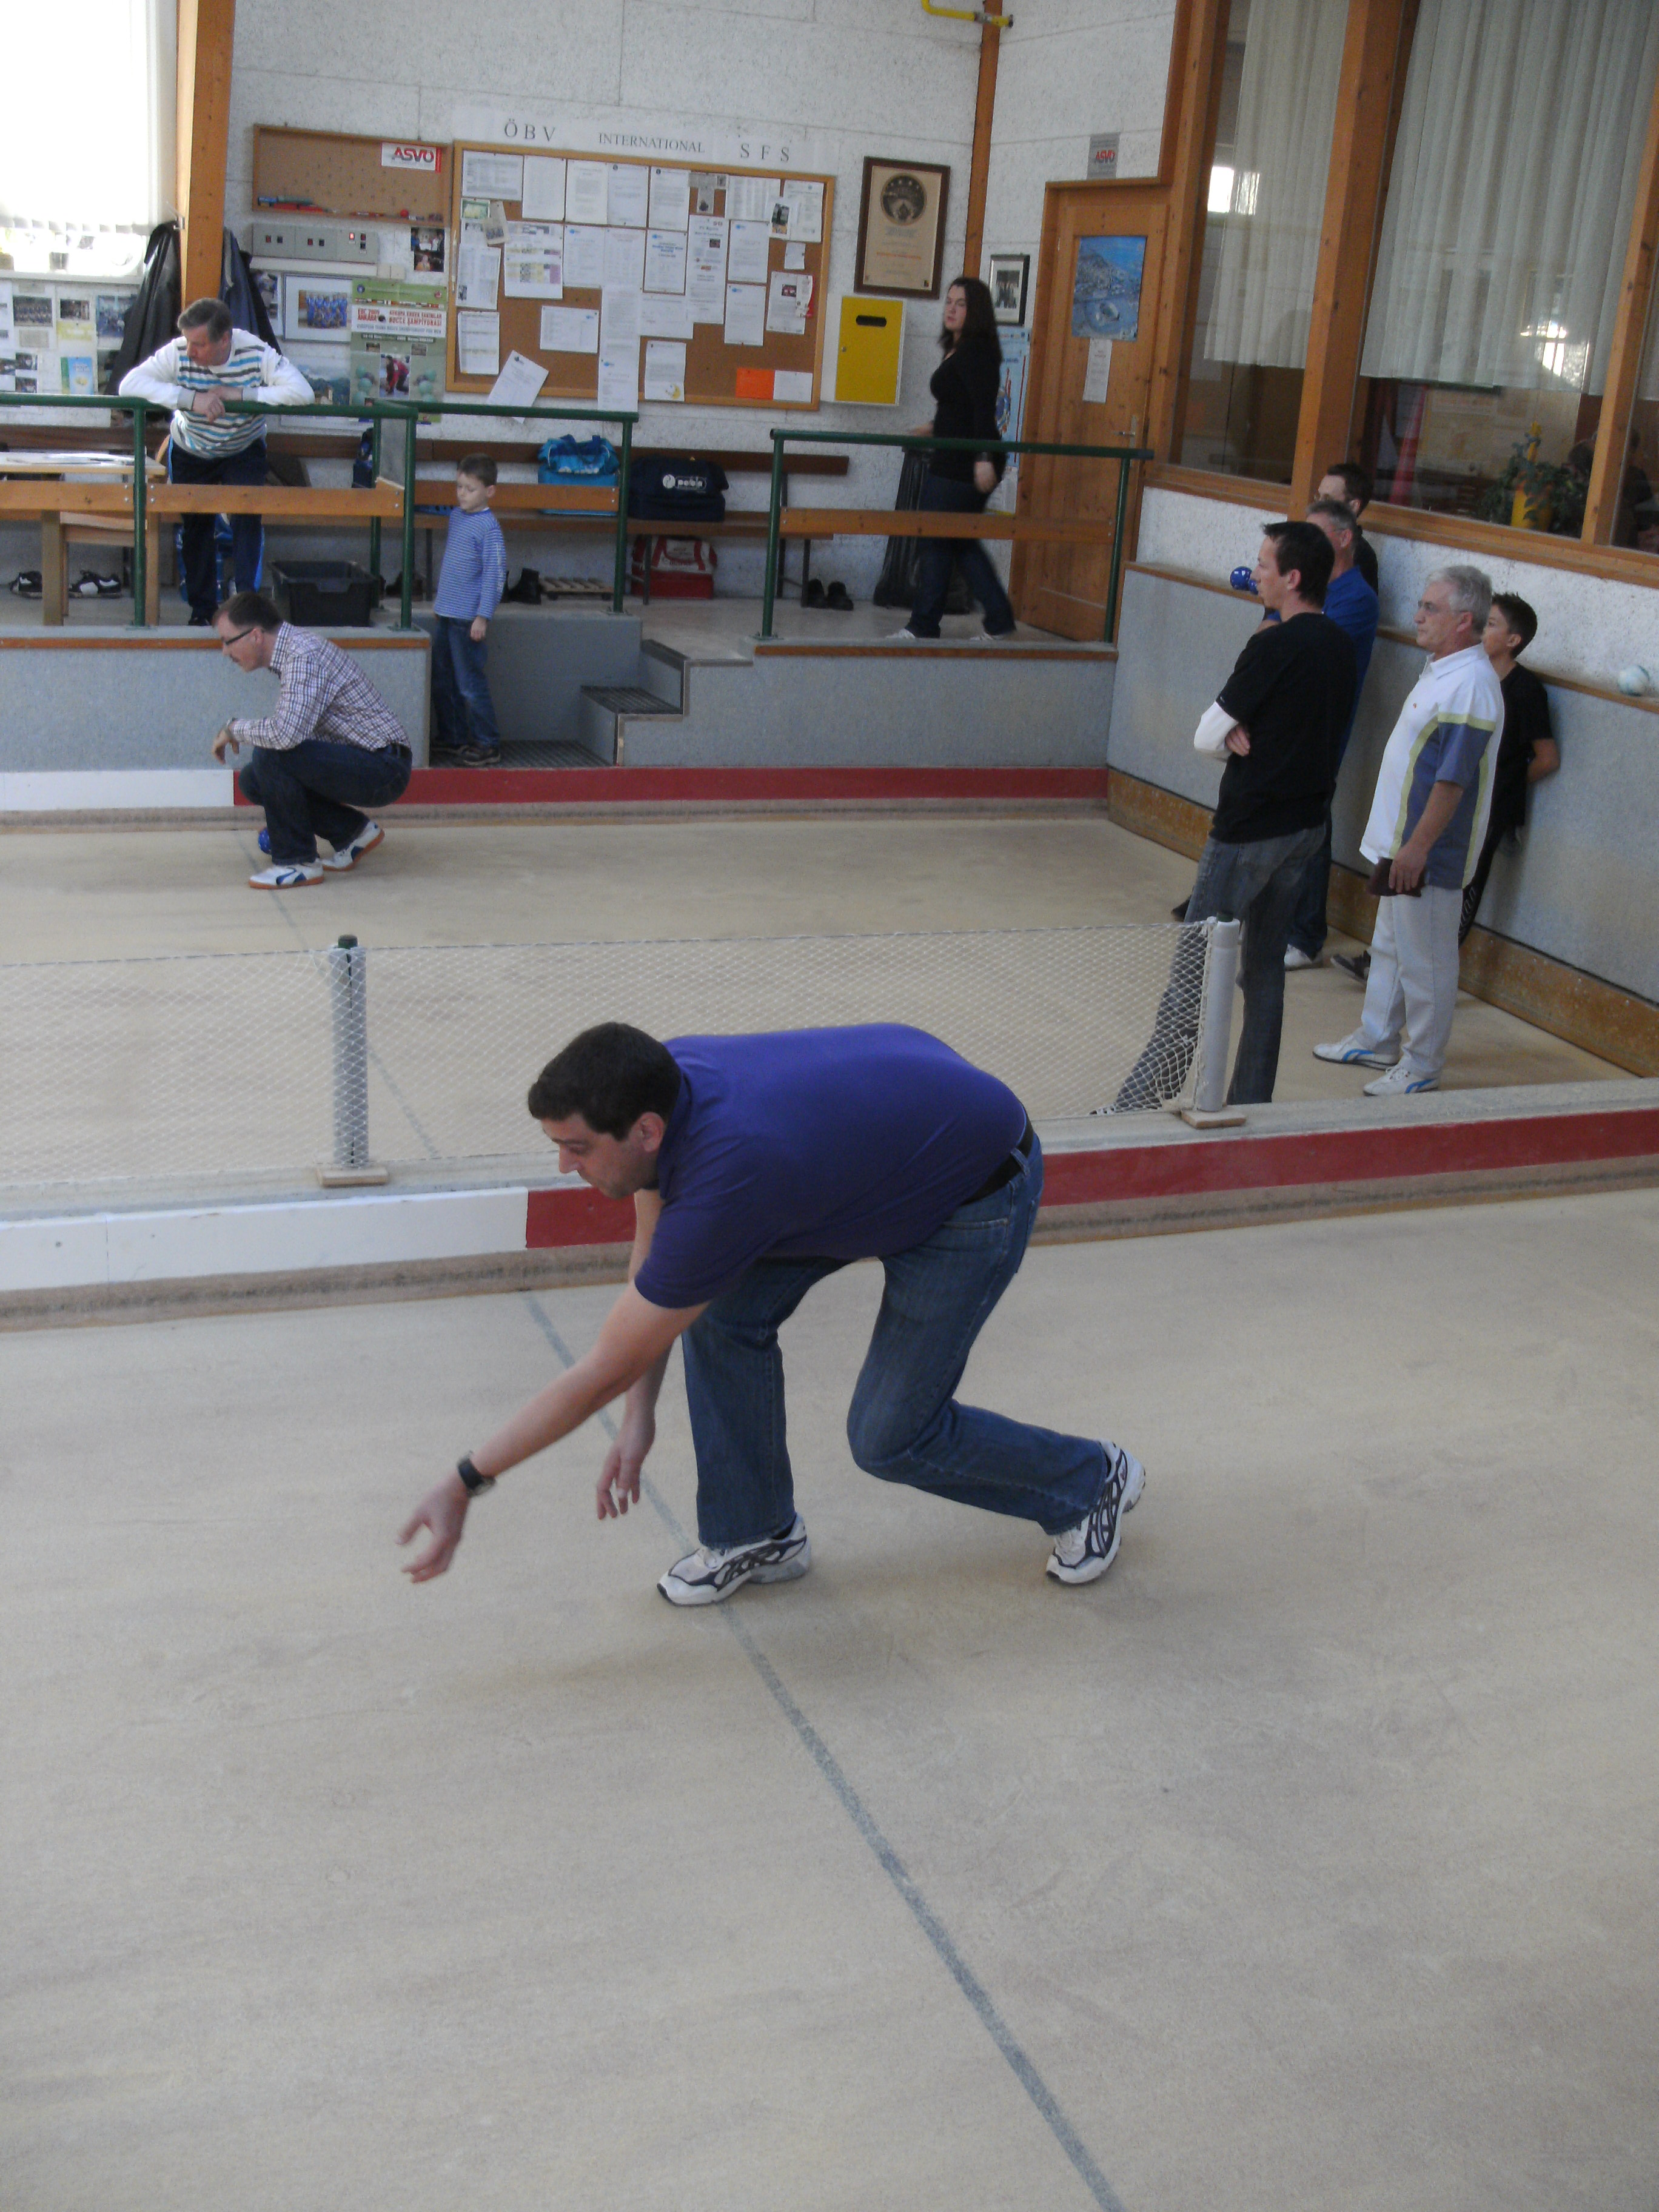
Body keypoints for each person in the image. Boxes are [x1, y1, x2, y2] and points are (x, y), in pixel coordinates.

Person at [398, 1021, 1146, 1600]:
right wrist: (639, 1416)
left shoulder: (729, 1173)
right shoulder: (661, 1085)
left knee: (890, 1438)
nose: (565, 1166)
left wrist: (465, 1480)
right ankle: (758, 1532)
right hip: (868, 1155)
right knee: (716, 1311)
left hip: (971, 1190)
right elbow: (652, 1277)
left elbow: (601, 1368)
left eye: (576, 1148)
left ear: (645, 1131)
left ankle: (1089, 1482)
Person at [1114, 521, 1356, 1111]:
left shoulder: (1273, 646)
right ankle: (1251, 1099)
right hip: (1307, 829)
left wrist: (1230, 736)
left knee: (1193, 967)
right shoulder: (1341, 646)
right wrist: (1239, 732)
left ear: (1292, 578)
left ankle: (1141, 1099)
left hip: (1249, 832)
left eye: (1264, 565)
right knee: (1264, 971)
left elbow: (1205, 735)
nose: (1257, 575)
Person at [1313, 566, 1502, 1097]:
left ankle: (1423, 1065)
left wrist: (1418, 847)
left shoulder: (1471, 685)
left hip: (1429, 854)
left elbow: (1452, 781)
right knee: (1391, 948)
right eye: (1421, 605)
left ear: (1463, 621)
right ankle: (1377, 1039)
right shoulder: (1441, 669)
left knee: (1427, 963)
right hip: (1398, 844)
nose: (1417, 616)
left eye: (1430, 608)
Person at [119, 298, 312, 626]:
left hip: (243, 448)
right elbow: (129, 385)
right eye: (188, 342)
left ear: (225, 340)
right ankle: (202, 610)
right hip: (191, 449)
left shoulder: (255, 352)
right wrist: (190, 399)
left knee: (246, 521)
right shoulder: (178, 352)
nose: (190, 352)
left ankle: (248, 608)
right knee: (195, 527)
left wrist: (243, 396)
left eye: (199, 344)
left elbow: (302, 392)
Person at [211, 590, 414, 890]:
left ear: (255, 636)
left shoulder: (303, 656)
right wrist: (284, 809)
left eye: (227, 641)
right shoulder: (294, 652)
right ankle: (352, 833)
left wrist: (233, 729)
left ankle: (297, 862)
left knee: (271, 754)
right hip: (369, 761)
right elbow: (296, 734)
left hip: (384, 768)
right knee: (254, 779)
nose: (224, 652)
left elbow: (285, 735)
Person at [891, 276, 1017, 643]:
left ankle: (923, 625)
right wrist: (933, 427)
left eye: (961, 304)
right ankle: (998, 618)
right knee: (959, 542)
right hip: (953, 453)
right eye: (949, 302)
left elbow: (982, 411)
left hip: (965, 460)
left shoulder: (977, 352)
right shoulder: (958, 348)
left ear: (975, 312)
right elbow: (958, 406)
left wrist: (983, 458)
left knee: (937, 540)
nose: (951, 309)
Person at [1282, 497, 1380, 968]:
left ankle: (1305, 937)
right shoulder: (1309, 587)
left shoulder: (1357, 597)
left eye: (1317, 532)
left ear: (1344, 539)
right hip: (1288, 722)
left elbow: (1303, 646)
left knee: (1312, 827)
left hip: (1321, 731)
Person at [1459, 592, 1559, 943]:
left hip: (1489, 808)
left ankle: (1437, 966)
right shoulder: (1470, 674)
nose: (1479, 629)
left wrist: (1504, 786)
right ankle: (1390, 958)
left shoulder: (1526, 690)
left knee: (1465, 886)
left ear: (1513, 640)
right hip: (1451, 793)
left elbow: (1547, 759)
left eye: (1490, 624)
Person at [430, 453, 508, 766]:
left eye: (470, 489)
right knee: (442, 678)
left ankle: (487, 742)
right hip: (447, 614)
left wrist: (482, 616)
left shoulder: (489, 529)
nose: (462, 494)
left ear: (490, 491)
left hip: (468, 621)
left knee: (469, 684)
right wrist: (441, 604)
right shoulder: (457, 517)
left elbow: (494, 575)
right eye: (459, 487)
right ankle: (454, 735)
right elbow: (453, 566)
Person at [1316, 460, 1379, 594]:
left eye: (1327, 499)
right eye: (1318, 497)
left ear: (1353, 507)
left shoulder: (1361, 555)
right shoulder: (1307, 538)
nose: (1318, 505)